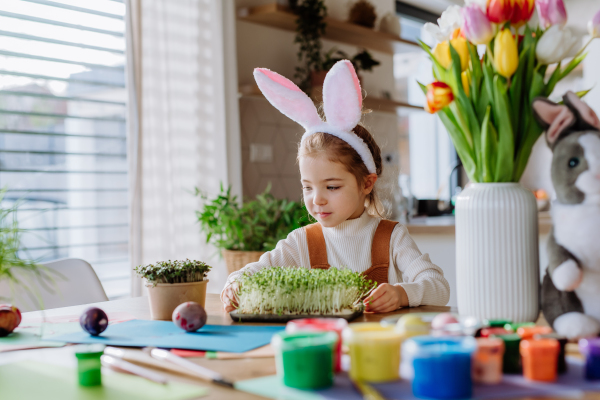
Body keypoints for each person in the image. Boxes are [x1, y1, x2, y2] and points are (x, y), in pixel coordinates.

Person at [221, 60, 449, 313]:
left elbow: (438, 286)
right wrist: (235, 283)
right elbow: (251, 272)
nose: (317, 199)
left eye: (331, 187)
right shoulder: (302, 242)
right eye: (308, 187)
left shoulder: (391, 237)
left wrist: (402, 293)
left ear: (366, 183)